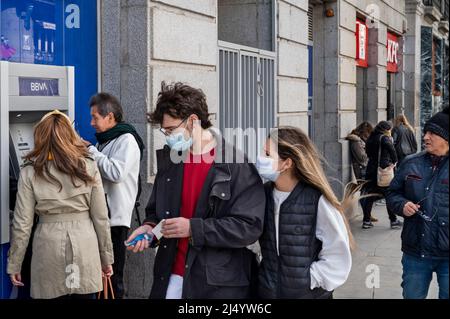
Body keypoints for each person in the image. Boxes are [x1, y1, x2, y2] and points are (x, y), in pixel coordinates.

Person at [125, 82, 265, 299]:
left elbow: (249, 227)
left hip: (216, 285)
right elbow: (157, 214)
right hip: (169, 277)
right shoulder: (172, 160)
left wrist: (193, 228)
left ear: (192, 120)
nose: (168, 136)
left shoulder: (237, 165)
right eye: (165, 131)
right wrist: (150, 230)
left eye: (171, 130)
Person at [7, 110, 114, 299]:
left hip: (47, 246)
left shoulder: (30, 171)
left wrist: (15, 263)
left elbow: (22, 223)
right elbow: (101, 217)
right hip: (85, 245)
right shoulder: (88, 166)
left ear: (39, 136)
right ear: (70, 135)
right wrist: (106, 259)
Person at [255, 126, 353, 299]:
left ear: (287, 163)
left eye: (267, 154)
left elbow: (337, 255)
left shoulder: (317, 200)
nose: (260, 159)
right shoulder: (262, 195)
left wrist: (308, 280)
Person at [84, 93, 144, 299]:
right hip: (103, 218)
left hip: (116, 220)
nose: (91, 123)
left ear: (110, 117)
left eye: (95, 118)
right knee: (102, 277)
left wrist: (91, 151)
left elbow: (116, 173)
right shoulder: (107, 140)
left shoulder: (127, 139)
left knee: (113, 278)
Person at [387, 107, 449, 299]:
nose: (425, 137)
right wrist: (402, 205)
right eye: (426, 132)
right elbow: (392, 193)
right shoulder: (410, 162)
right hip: (416, 251)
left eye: (433, 133)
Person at [362, 120, 402, 229]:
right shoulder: (384, 138)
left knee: (370, 196)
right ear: (386, 130)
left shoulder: (371, 138)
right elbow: (392, 151)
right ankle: (393, 220)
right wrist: (394, 162)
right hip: (382, 170)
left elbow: (368, 152)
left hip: (371, 170)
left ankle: (366, 220)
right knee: (389, 194)